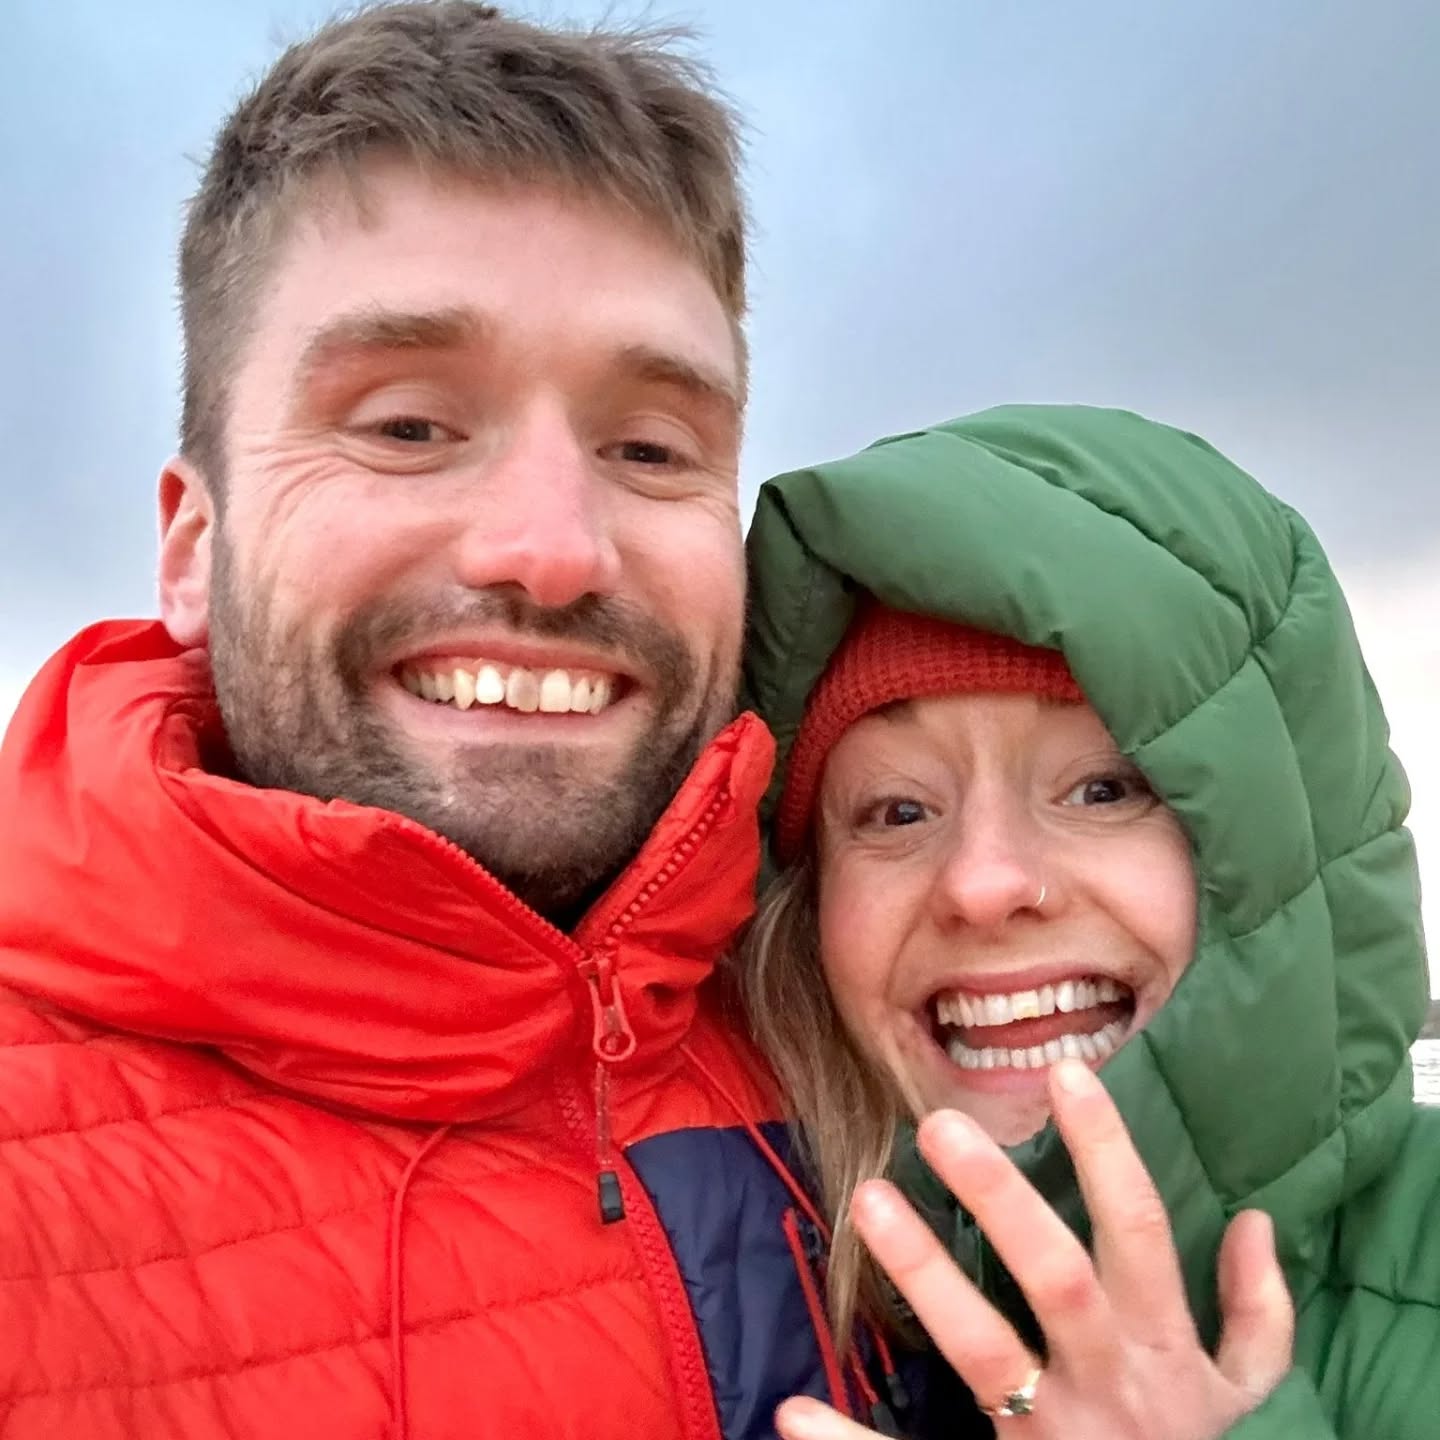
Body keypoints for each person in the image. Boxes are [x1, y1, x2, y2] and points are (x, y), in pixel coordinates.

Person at [0, 5, 915, 1436]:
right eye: (408, 424)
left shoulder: (867, 1034)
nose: (552, 549)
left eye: (650, 448)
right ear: (192, 546)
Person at [737, 403, 1436, 1438]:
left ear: (1274, 849)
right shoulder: (751, 1293)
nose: (982, 883)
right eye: (895, 810)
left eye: (1104, 790)